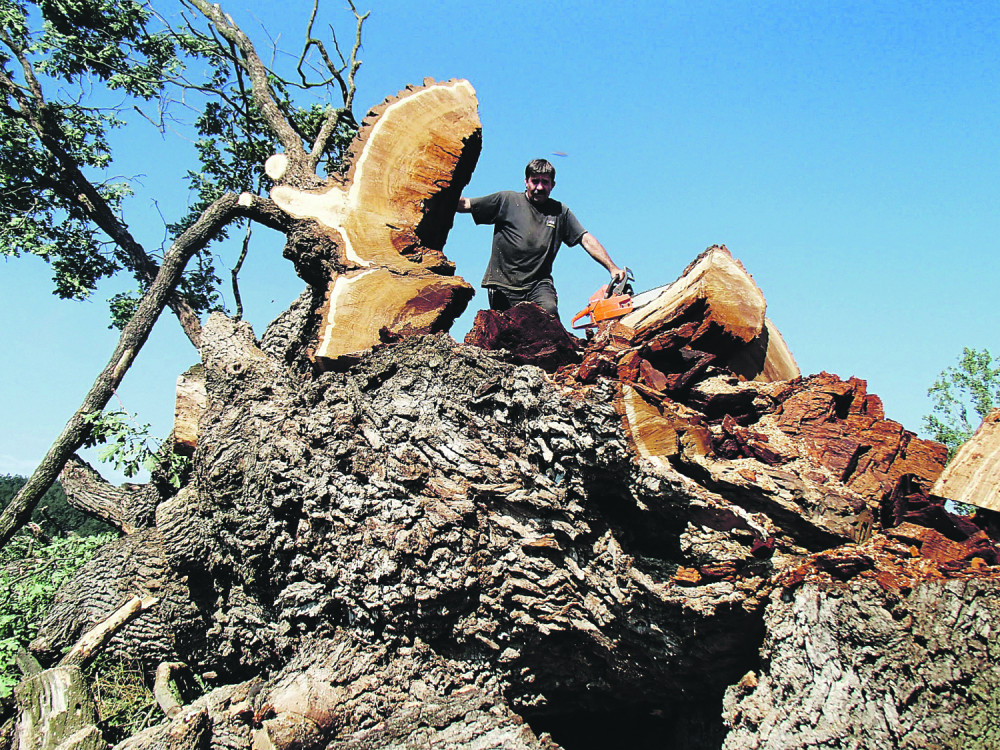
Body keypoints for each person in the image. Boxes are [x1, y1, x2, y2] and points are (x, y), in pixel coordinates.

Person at [456, 158, 625, 318]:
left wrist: (612, 268)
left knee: (548, 314)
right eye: (534, 181)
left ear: (553, 185)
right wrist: (441, 190)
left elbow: (585, 239)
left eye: (545, 182)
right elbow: (465, 204)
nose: (539, 187)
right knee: (506, 335)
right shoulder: (506, 200)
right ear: (526, 182)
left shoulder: (560, 212)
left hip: (538, 285)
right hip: (503, 285)